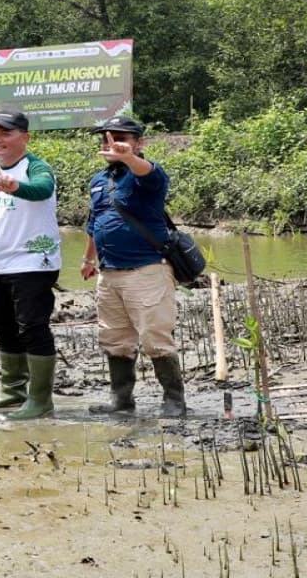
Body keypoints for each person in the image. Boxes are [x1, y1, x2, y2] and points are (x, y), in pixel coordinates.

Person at [81, 115, 187, 418]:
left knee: (155, 336)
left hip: (147, 271)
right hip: (109, 272)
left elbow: (148, 171)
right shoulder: (99, 181)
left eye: (120, 138)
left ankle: (174, 400)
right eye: (106, 139)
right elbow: (95, 221)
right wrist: (89, 257)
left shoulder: (148, 175)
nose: (111, 143)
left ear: (139, 143)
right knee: (115, 338)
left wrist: (129, 158)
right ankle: (121, 400)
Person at [0, 110, 62, 419]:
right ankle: (12, 391)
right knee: (1, 324)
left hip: (35, 262)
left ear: (25, 137)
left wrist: (15, 188)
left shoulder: (36, 168)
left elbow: (43, 189)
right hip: (0, 264)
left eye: (5, 133)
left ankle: (40, 400)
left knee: (32, 328)